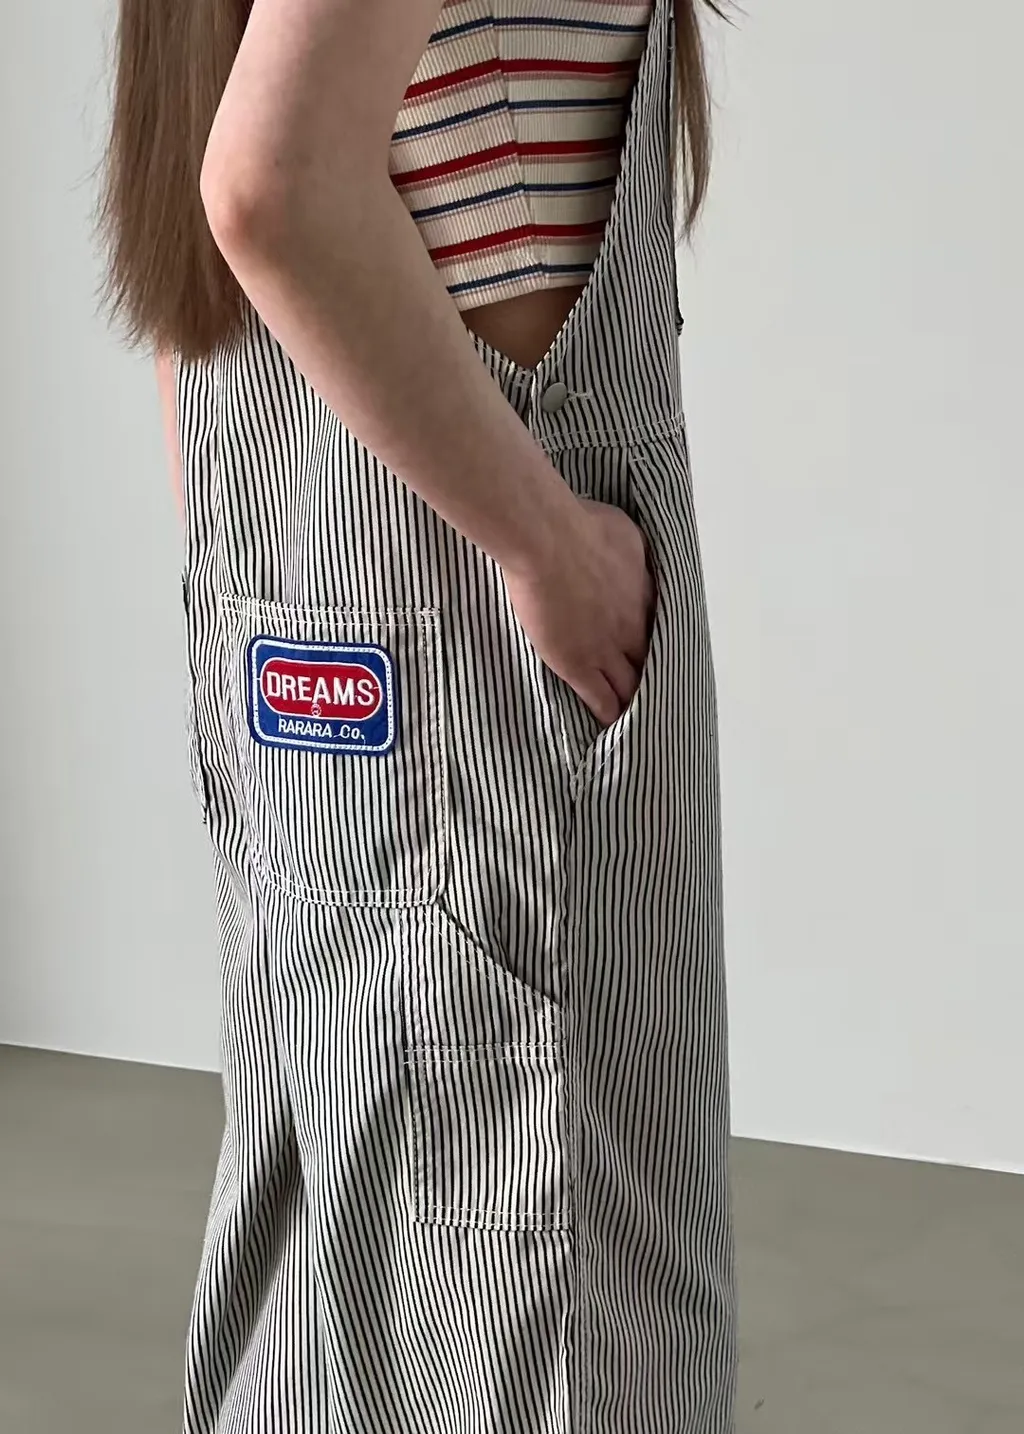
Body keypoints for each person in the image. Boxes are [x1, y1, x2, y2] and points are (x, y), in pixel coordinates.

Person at [98, 1, 737, 1430]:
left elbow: (209, 222)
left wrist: (244, 579)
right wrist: (548, 546)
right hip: (495, 634)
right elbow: (267, 182)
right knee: (547, 1287)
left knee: (338, 1279)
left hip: (318, 583)